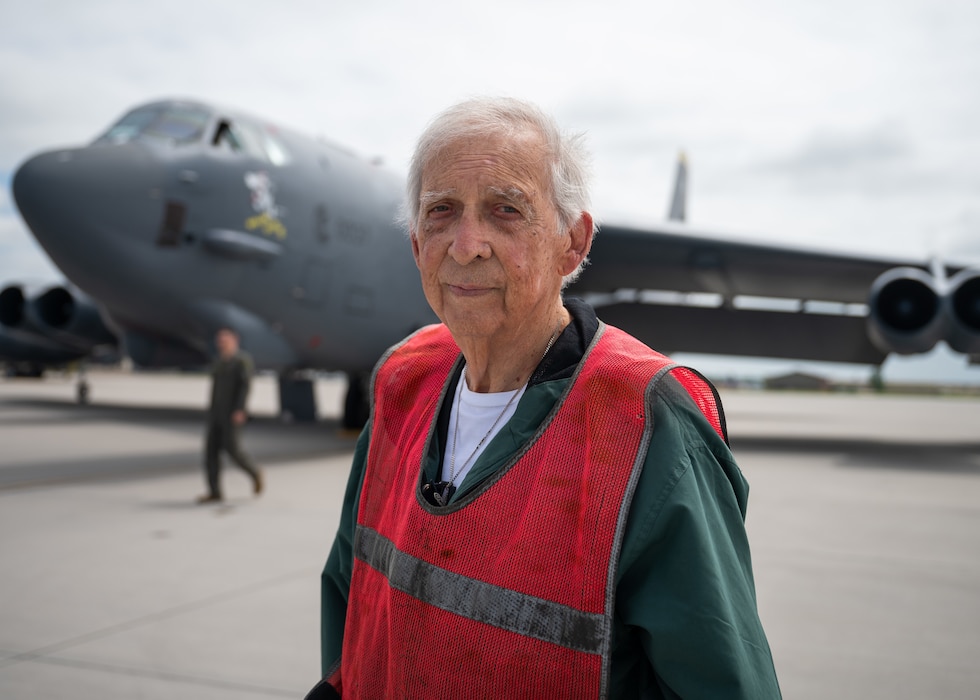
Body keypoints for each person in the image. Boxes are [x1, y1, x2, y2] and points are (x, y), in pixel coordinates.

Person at [308, 97, 781, 698]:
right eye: (440, 212)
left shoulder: (645, 422)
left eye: (506, 211)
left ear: (573, 244)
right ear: (414, 243)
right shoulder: (403, 382)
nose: (466, 244)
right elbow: (352, 598)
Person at [197, 327, 263, 503]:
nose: (221, 343)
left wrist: (240, 410)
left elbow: (245, 386)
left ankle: (255, 472)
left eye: (225, 339)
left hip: (232, 414)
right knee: (210, 453)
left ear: (235, 340)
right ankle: (215, 492)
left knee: (233, 450)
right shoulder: (219, 362)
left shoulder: (241, 361)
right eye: (220, 340)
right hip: (216, 414)